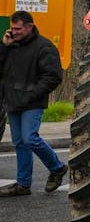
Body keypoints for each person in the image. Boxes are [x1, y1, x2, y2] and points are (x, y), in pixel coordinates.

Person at [0, 11, 67, 196]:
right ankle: (23, 185)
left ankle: (57, 167)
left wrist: (32, 94)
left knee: (30, 138)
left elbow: (53, 77)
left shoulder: (44, 47)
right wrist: (4, 46)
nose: (14, 32)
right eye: (12, 28)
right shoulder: (10, 44)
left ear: (29, 26)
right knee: (20, 142)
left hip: (32, 102)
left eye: (18, 28)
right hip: (12, 101)